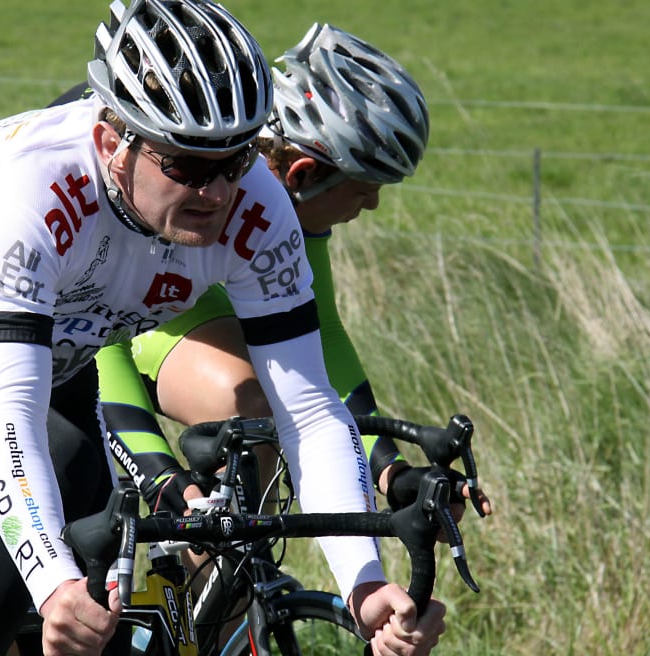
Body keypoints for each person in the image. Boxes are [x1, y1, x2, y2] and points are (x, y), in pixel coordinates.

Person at [0, 3, 447, 656]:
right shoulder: (37, 189)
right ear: (114, 143)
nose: (219, 191)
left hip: (50, 361)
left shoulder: (257, 204)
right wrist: (55, 585)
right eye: (188, 167)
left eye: (235, 161)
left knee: (107, 597)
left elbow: (310, 412)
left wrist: (365, 586)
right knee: (60, 480)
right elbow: (10, 425)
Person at [98, 23, 493, 524]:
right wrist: (157, 476)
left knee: (249, 489)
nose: (372, 204)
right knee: (251, 406)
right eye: (367, 185)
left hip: (167, 312)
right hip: (60, 325)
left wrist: (391, 472)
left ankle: (224, 590)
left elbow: (321, 332)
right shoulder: (181, 186)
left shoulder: (280, 209)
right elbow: (99, 336)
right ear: (303, 173)